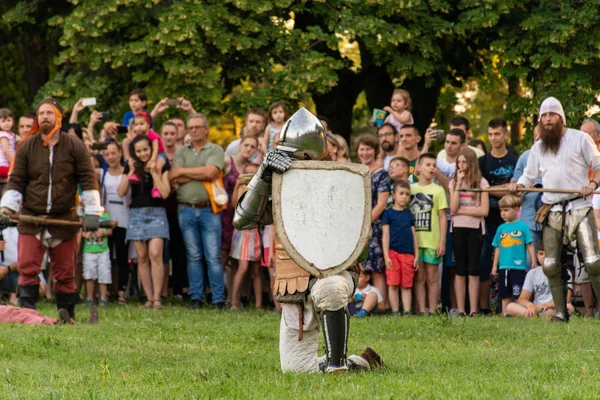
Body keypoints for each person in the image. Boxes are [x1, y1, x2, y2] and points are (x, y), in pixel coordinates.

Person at [234, 108, 383, 373]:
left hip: (335, 274)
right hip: (294, 283)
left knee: (329, 289)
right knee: (296, 370)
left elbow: (358, 249)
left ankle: (338, 365)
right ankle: (361, 362)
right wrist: (264, 174)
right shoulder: (282, 183)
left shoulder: (340, 182)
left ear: (308, 154)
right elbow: (242, 220)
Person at [0, 98, 102, 320]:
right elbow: (16, 179)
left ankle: (68, 316)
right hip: (32, 218)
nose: (44, 116)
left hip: (64, 219)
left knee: (65, 274)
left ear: (58, 117)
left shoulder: (75, 146)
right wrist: (6, 209)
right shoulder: (27, 145)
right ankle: (27, 316)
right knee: (27, 270)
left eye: (49, 112)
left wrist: (93, 211)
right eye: (41, 113)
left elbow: (87, 178)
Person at [510, 97, 600, 322]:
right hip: (552, 210)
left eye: (552, 114)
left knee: (592, 262)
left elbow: (599, 167)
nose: (548, 118)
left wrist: (592, 184)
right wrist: (518, 186)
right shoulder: (538, 147)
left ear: (561, 117)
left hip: (580, 207)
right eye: (544, 115)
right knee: (550, 264)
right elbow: (528, 176)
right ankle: (561, 313)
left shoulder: (580, 139)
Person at [171, 113, 227, 310]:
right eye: (190, 128)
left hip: (209, 210)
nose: (193, 131)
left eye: (197, 127)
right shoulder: (181, 151)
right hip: (186, 209)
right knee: (193, 256)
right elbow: (173, 177)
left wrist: (184, 171)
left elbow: (212, 172)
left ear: (206, 129)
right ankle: (196, 297)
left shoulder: (216, 149)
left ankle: (218, 299)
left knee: (213, 256)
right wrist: (200, 172)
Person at [118, 135, 171, 309]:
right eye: (139, 151)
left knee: (156, 254)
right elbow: (121, 191)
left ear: (151, 149)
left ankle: (157, 298)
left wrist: (154, 172)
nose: (142, 154)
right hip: (136, 214)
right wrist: (131, 172)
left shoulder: (161, 164)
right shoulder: (131, 165)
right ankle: (148, 298)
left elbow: (165, 193)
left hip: (157, 213)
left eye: (145, 149)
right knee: (141, 258)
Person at [478, 117, 518, 314]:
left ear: (506, 134)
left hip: (512, 219)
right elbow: (481, 190)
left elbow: (517, 190)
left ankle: (512, 306)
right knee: (485, 263)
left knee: (511, 262)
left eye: (497, 134)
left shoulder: (515, 160)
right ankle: (484, 309)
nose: (493, 138)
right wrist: (504, 189)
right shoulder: (482, 161)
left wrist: (490, 189)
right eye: (490, 134)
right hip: (487, 219)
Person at [449, 148, 489, 316]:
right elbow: (452, 209)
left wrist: (462, 211)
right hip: (458, 228)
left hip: (475, 228)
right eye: (459, 162)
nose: (461, 165)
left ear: (471, 163)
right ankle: (461, 309)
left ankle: (473, 309)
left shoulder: (482, 183)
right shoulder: (453, 183)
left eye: (464, 162)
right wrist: (458, 184)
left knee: (473, 269)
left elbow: (484, 211)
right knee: (460, 269)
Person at [410, 153, 448, 314]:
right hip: (415, 242)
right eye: (428, 165)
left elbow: (442, 216)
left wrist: (442, 241)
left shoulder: (438, 190)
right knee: (419, 278)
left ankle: (432, 310)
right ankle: (421, 309)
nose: (432, 168)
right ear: (418, 167)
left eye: (434, 165)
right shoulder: (411, 189)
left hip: (432, 240)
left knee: (432, 277)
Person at [222, 136, 258, 303]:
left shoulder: (253, 169)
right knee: (230, 261)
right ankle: (230, 298)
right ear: (239, 145)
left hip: (250, 224)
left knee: (249, 267)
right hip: (227, 215)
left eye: (253, 146)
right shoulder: (227, 162)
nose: (249, 148)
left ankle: (245, 297)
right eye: (246, 145)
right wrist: (238, 184)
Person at [356, 133, 390, 309]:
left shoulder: (381, 174)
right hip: (355, 226)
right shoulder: (354, 171)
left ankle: (381, 306)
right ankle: (360, 305)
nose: (365, 153)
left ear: (375, 151)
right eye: (362, 149)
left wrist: (366, 223)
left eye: (368, 149)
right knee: (360, 267)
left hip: (374, 226)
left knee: (376, 268)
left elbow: (382, 203)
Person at [435, 128, 467, 314]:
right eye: (447, 142)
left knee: (455, 268)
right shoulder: (438, 162)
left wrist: (437, 172)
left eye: (454, 143)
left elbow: (450, 186)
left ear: (462, 145)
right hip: (438, 221)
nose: (449, 146)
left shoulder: (464, 164)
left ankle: (456, 307)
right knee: (440, 269)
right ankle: (440, 305)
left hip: (457, 221)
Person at [491, 195, 536, 316]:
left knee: (518, 292)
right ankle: (506, 313)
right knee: (504, 293)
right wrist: (495, 265)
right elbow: (497, 247)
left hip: (518, 267)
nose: (503, 213)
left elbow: (529, 245)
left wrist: (533, 260)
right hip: (504, 266)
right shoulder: (501, 228)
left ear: (516, 210)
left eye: (506, 210)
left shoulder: (523, 227)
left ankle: (519, 313)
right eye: (501, 210)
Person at [506, 242, 574, 318]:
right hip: (537, 308)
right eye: (541, 254)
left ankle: (532, 316)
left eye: (547, 254)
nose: (544, 257)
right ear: (537, 256)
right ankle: (533, 315)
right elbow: (522, 299)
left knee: (569, 307)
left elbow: (566, 299)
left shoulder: (565, 272)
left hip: (554, 308)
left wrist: (547, 305)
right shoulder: (532, 273)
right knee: (510, 306)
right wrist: (531, 306)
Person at [382, 180, 418, 316]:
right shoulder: (388, 213)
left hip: (408, 255)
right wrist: (386, 256)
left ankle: (407, 311)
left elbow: (414, 236)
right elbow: (385, 236)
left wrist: (417, 255)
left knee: (407, 285)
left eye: (407, 194)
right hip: (393, 253)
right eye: (401, 193)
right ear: (394, 195)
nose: (404, 196)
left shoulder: (409, 214)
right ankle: (395, 311)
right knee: (393, 284)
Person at [161, 122, 188, 300]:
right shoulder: (158, 155)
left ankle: (180, 288)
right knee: (163, 251)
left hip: (180, 206)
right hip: (161, 208)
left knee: (180, 249)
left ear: (177, 134)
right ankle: (164, 290)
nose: (169, 136)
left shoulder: (182, 154)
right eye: (166, 133)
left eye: (172, 133)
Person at [230, 163, 263, 310]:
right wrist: (237, 186)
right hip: (243, 232)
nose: (249, 176)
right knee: (242, 267)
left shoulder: (260, 190)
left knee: (256, 270)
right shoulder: (242, 188)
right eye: (247, 173)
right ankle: (233, 302)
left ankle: (258, 305)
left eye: (253, 174)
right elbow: (234, 206)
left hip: (256, 232)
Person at [82, 210, 113, 306]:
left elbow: (110, 231)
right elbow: (81, 230)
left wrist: (103, 233)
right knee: (89, 275)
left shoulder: (105, 214)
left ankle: (103, 298)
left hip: (103, 250)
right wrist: (85, 235)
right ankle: (90, 298)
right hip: (89, 250)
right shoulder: (85, 214)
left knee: (104, 273)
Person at [0, 108, 16, 178]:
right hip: (2, 166)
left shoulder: (11, 134)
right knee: (19, 172)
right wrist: (14, 164)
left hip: (6, 165)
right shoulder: (3, 135)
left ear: (13, 121)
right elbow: (6, 151)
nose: (6, 123)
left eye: (9, 120)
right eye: (3, 121)